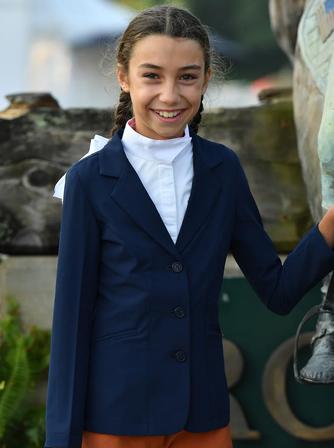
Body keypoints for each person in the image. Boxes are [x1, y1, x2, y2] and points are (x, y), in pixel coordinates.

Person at [44, 5, 334, 448]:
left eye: (187, 77)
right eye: (152, 76)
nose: (170, 95)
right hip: (115, 418)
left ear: (205, 79)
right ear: (124, 77)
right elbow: (72, 323)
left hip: (202, 415)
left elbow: (278, 290)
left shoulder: (223, 169)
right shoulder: (89, 180)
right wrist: (61, 440)